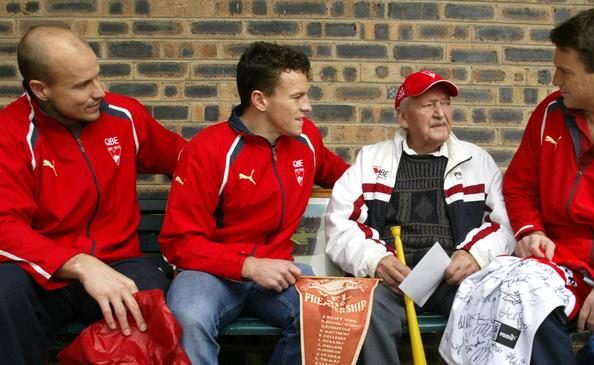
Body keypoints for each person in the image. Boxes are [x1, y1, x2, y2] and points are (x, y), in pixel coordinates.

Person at [440, 7, 594, 365]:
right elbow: (520, 187)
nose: (555, 80)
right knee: (513, 305)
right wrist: (529, 229)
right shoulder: (550, 113)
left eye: (565, 71)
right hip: (559, 268)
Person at [0, 25, 186, 364]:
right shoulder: (9, 133)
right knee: (3, 292)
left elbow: (189, 162)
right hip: (45, 273)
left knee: (150, 304)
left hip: (121, 262)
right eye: (82, 85)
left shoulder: (124, 116)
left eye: (97, 77)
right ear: (41, 89)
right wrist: (79, 264)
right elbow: (5, 226)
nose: (98, 91)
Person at [159, 41, 349, 365]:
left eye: (307, 94)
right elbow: (179, 242)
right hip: (209, 273)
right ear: (259, 100)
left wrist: (390, 179)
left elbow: (346, 178)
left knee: (332, 313)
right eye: (296, 97)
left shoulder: (306, 140)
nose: (308, 106)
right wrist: (248, 266)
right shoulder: (207, 150)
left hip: (278, 269)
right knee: (187, 317)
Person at [324, 70, 516, 364]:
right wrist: (376, 260)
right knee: (366, 313)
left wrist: (474, 254)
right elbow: (341, 224)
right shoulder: (371, 160)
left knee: (495, 309)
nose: (440, 114)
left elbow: (503, 225)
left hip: (452, 281)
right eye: (428, 105)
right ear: (403, 117)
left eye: (445, 103)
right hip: (391, 283)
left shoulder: (477, 161)